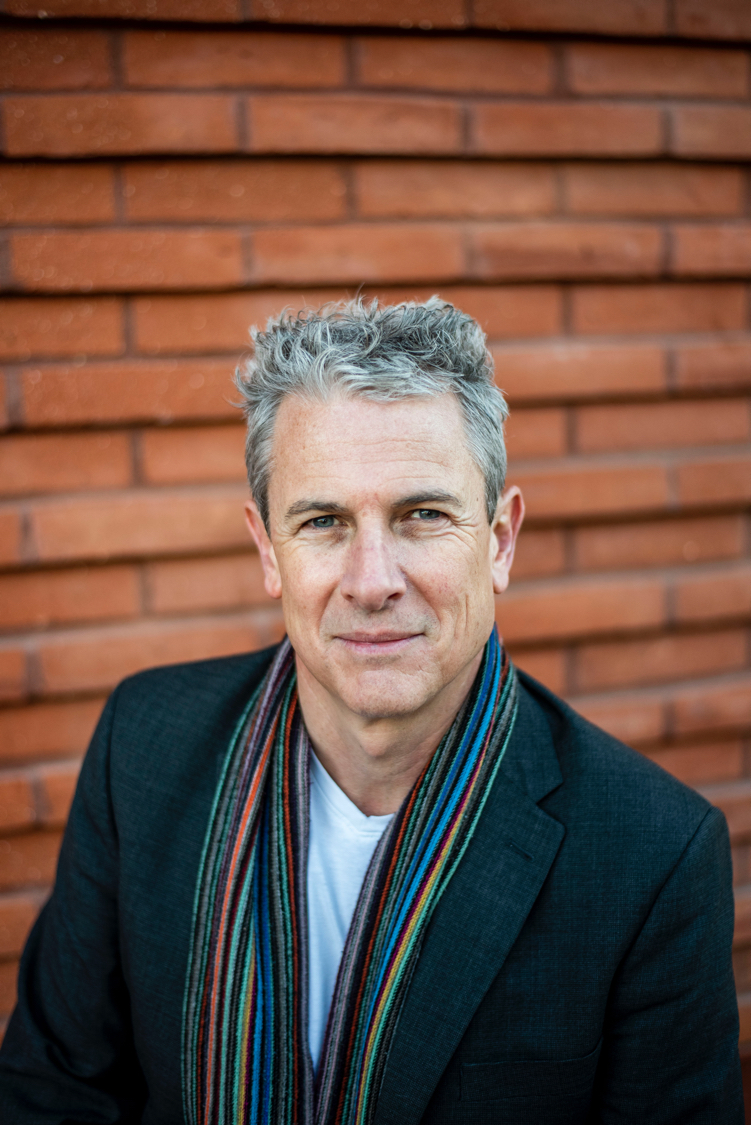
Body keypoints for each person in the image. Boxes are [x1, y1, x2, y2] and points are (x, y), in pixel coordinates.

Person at [0, 299, 742, 1124]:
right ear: (267, 550)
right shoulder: (142, 747)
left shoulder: (653, 853)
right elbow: (52, 1091)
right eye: (323, 521)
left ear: (499, 539)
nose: (371, 581)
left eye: (422, 515)